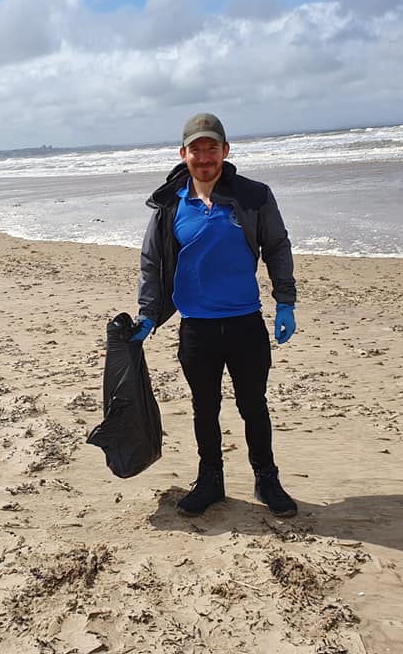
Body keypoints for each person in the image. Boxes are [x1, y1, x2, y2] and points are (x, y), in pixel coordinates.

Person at [130, 112, 298, 517]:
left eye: (212, 148)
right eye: (196, 149)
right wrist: (149, 313)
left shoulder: (253, 196)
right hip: (197, 328)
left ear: (225, 150)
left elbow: (277, 246)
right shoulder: (169, 205)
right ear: (183, 153)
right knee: (204, 407)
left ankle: (267, 479)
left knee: (253, 404)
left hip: (245, 323)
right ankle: (210, 480)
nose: (204, 157)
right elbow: (152, 262)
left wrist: (286, 301)